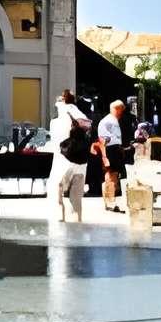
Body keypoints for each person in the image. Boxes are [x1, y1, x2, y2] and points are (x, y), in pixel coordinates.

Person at [49, 88, 92, 222]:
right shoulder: (83, 118)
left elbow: (55, 143)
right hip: (81, 161)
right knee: (77, 193)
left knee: (57, 187)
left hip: (63, 160)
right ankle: (77, 217)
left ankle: (60, 216)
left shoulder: (56, 122)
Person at [94, 99, 128, 211]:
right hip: (110, 149)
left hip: (114, 149)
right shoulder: (107, 121)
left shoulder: (113, 121)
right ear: (116, 109)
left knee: (113, 175)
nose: (121, 113)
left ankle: (110, 201)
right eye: (121, 110)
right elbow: (104, 139)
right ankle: (109, 202)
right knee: (110, 175)